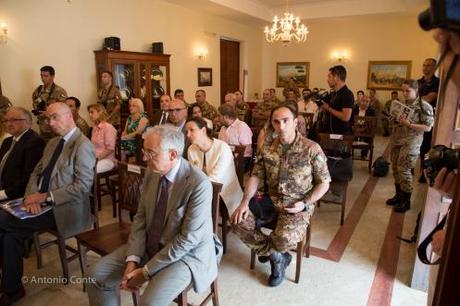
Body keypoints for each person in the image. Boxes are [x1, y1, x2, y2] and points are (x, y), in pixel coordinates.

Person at [87, 124, 222, 306]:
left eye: (151, 153)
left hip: (186, 255)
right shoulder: (153, 172)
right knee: (96, 275)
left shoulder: (198, 184)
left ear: (173, 154)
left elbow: (188, 240)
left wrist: (146, 271)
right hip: (152, 242)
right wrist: (132, 259)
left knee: (149, 303)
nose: (144, 158)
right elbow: (140, 217)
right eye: (145, 151)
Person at [0, 102, 95, 305]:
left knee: (4, 223)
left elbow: (82, 187)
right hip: (39, 202)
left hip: (64, 207)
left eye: (55, 117)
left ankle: (11, 288)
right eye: (47, 118)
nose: (50, 123)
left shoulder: (82, 144)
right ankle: (12, 289)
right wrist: (30, 196)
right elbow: (35, 172)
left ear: (69, 116)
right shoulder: (52, 143)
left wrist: (44, 197)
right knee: (9, 235)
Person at [231, 103, 330, 287]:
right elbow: (255, 175)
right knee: (237, 221)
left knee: (283, 237)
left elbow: (324, 183)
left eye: (285, 121)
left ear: (296, 122)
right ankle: (278, 257)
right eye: (276, 122)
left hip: (297, 205)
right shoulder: (267, 148)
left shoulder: (311, 148)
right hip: (270, 200)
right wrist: (244, 202)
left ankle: (272, 256)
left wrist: (305, 203)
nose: (281, 126)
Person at [386, 79, 434, 213]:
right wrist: (393, 119)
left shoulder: (424, 106)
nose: (405, 93)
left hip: (411, 142)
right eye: (403, 90)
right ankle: (398, 195)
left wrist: (410, 125)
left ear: (416, 90)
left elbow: (428, 127)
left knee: (404, 169)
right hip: (397, 140)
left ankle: (406, 201)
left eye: (408, 91)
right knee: (395, 168)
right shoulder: (401, 104)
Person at [185, 117, 243, 216]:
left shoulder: (222, 148)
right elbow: (193, 174)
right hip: (203, 189)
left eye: (192, 130)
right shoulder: (191, 149)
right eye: (186, 131)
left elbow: (215, 179)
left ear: (203, 130)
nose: (188, 135)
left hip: (224, 191)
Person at [0, 107, 45, 201]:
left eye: (13, 120)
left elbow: (29, 177)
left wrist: (3, 194)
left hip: (16, 197)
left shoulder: (35, 142)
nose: (8, 124)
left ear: (27, 122)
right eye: (6, 120)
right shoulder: (7, 141)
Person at [418, 58, 440, 183]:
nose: (425, 67)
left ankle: (424, 171)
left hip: (428, 118)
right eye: (424, 65)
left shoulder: (437, 82)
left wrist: (418, 101)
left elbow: (430, 99)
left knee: (426, 147)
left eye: (428, 65)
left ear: (434, 67)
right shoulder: (418, 82)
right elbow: (413, 97)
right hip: (417, 118)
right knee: (417, 145)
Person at [32, 65, 68, 141]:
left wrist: (48, 113)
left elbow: (64, 110)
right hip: (43, 127)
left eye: (46, 76)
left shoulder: (59, 91)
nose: (43, 78)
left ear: (52, 76)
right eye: (41, 76)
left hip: (55, 127)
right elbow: (34, 104)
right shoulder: (38, 91)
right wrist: (38, 111)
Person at [318, 65, 354, 135]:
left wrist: (328, 108)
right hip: (328, 134)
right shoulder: (334, 94)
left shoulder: (347, 94)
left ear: (336, 77)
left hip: (341, 137)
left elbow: (346, 117)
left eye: (329, 76)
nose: (327, 80)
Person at [218, 104, 253, 171]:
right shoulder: (223, 128)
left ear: (225, 117)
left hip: (241, 159)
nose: (217, 119)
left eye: (219, 116)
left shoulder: (242, 126)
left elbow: (247, 148)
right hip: (226, 157)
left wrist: (230, 155)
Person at [87, 104, 117, 173]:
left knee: (88, 170)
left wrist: (96, 159)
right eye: (89, 113)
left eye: (92, 112)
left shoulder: (108, 127)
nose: (90, 115)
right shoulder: (94, 128)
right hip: (95, 158)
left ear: (100, 112)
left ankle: (90, 183)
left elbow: (110, 149)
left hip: (107, 160)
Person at [351, 95, 376, 159]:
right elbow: (350, 121)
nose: (365, 103)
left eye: (367, 101)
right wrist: (352, 127)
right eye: (363, 101)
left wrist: (364, 129)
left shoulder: (372, 111)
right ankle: (349, 152)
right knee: (348, 133)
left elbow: (373, 124)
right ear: (360, 101)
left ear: (369, 103)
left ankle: (364, 154)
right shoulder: (354, 109)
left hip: (366, 131)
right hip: (354, 130)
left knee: (369, 136)